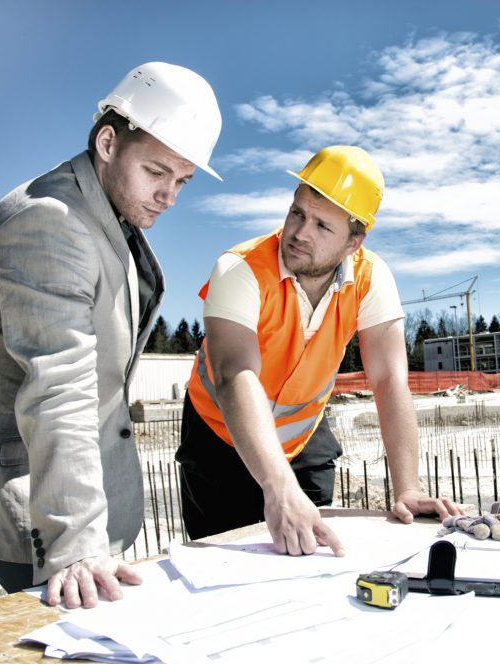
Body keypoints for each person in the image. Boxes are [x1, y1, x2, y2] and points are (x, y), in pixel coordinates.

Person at [0, 62, 223, 608]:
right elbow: (58, 386)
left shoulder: (108, 214)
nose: (169, 196)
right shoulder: (50, 221)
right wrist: (78, 545)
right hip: (29, 496)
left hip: (70, 492)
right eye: (157, 172)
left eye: (183, 180)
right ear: (108, 142)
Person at [177, 145, 463, 555]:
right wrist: (278, 489)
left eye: (322, 226)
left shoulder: (370, 277)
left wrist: (408, 487)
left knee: (310, 559)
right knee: (225, 563)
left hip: (303, 441)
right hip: (220, 439)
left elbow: (387, 378)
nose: (299, 233)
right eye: (297, 213)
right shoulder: (240, 269)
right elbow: (234, 373)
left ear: (354, 241)